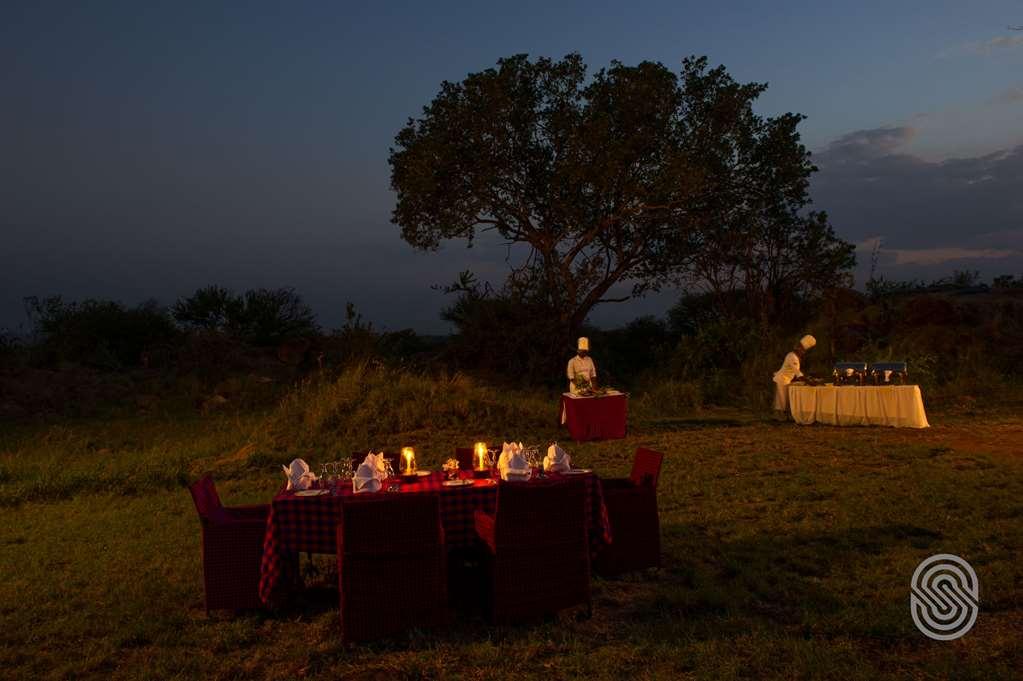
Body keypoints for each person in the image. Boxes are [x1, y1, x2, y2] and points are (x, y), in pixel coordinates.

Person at [773, 335, 815, 418]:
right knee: (782, 401)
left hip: (787, 380)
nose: (803, 353)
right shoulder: (792, 357)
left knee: (784, 401)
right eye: (802, 350)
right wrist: (809, 381)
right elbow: (798, 373)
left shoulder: (794, 356)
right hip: (782, 380)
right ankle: (779, 418)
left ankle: (783, 417)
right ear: (798, 349)